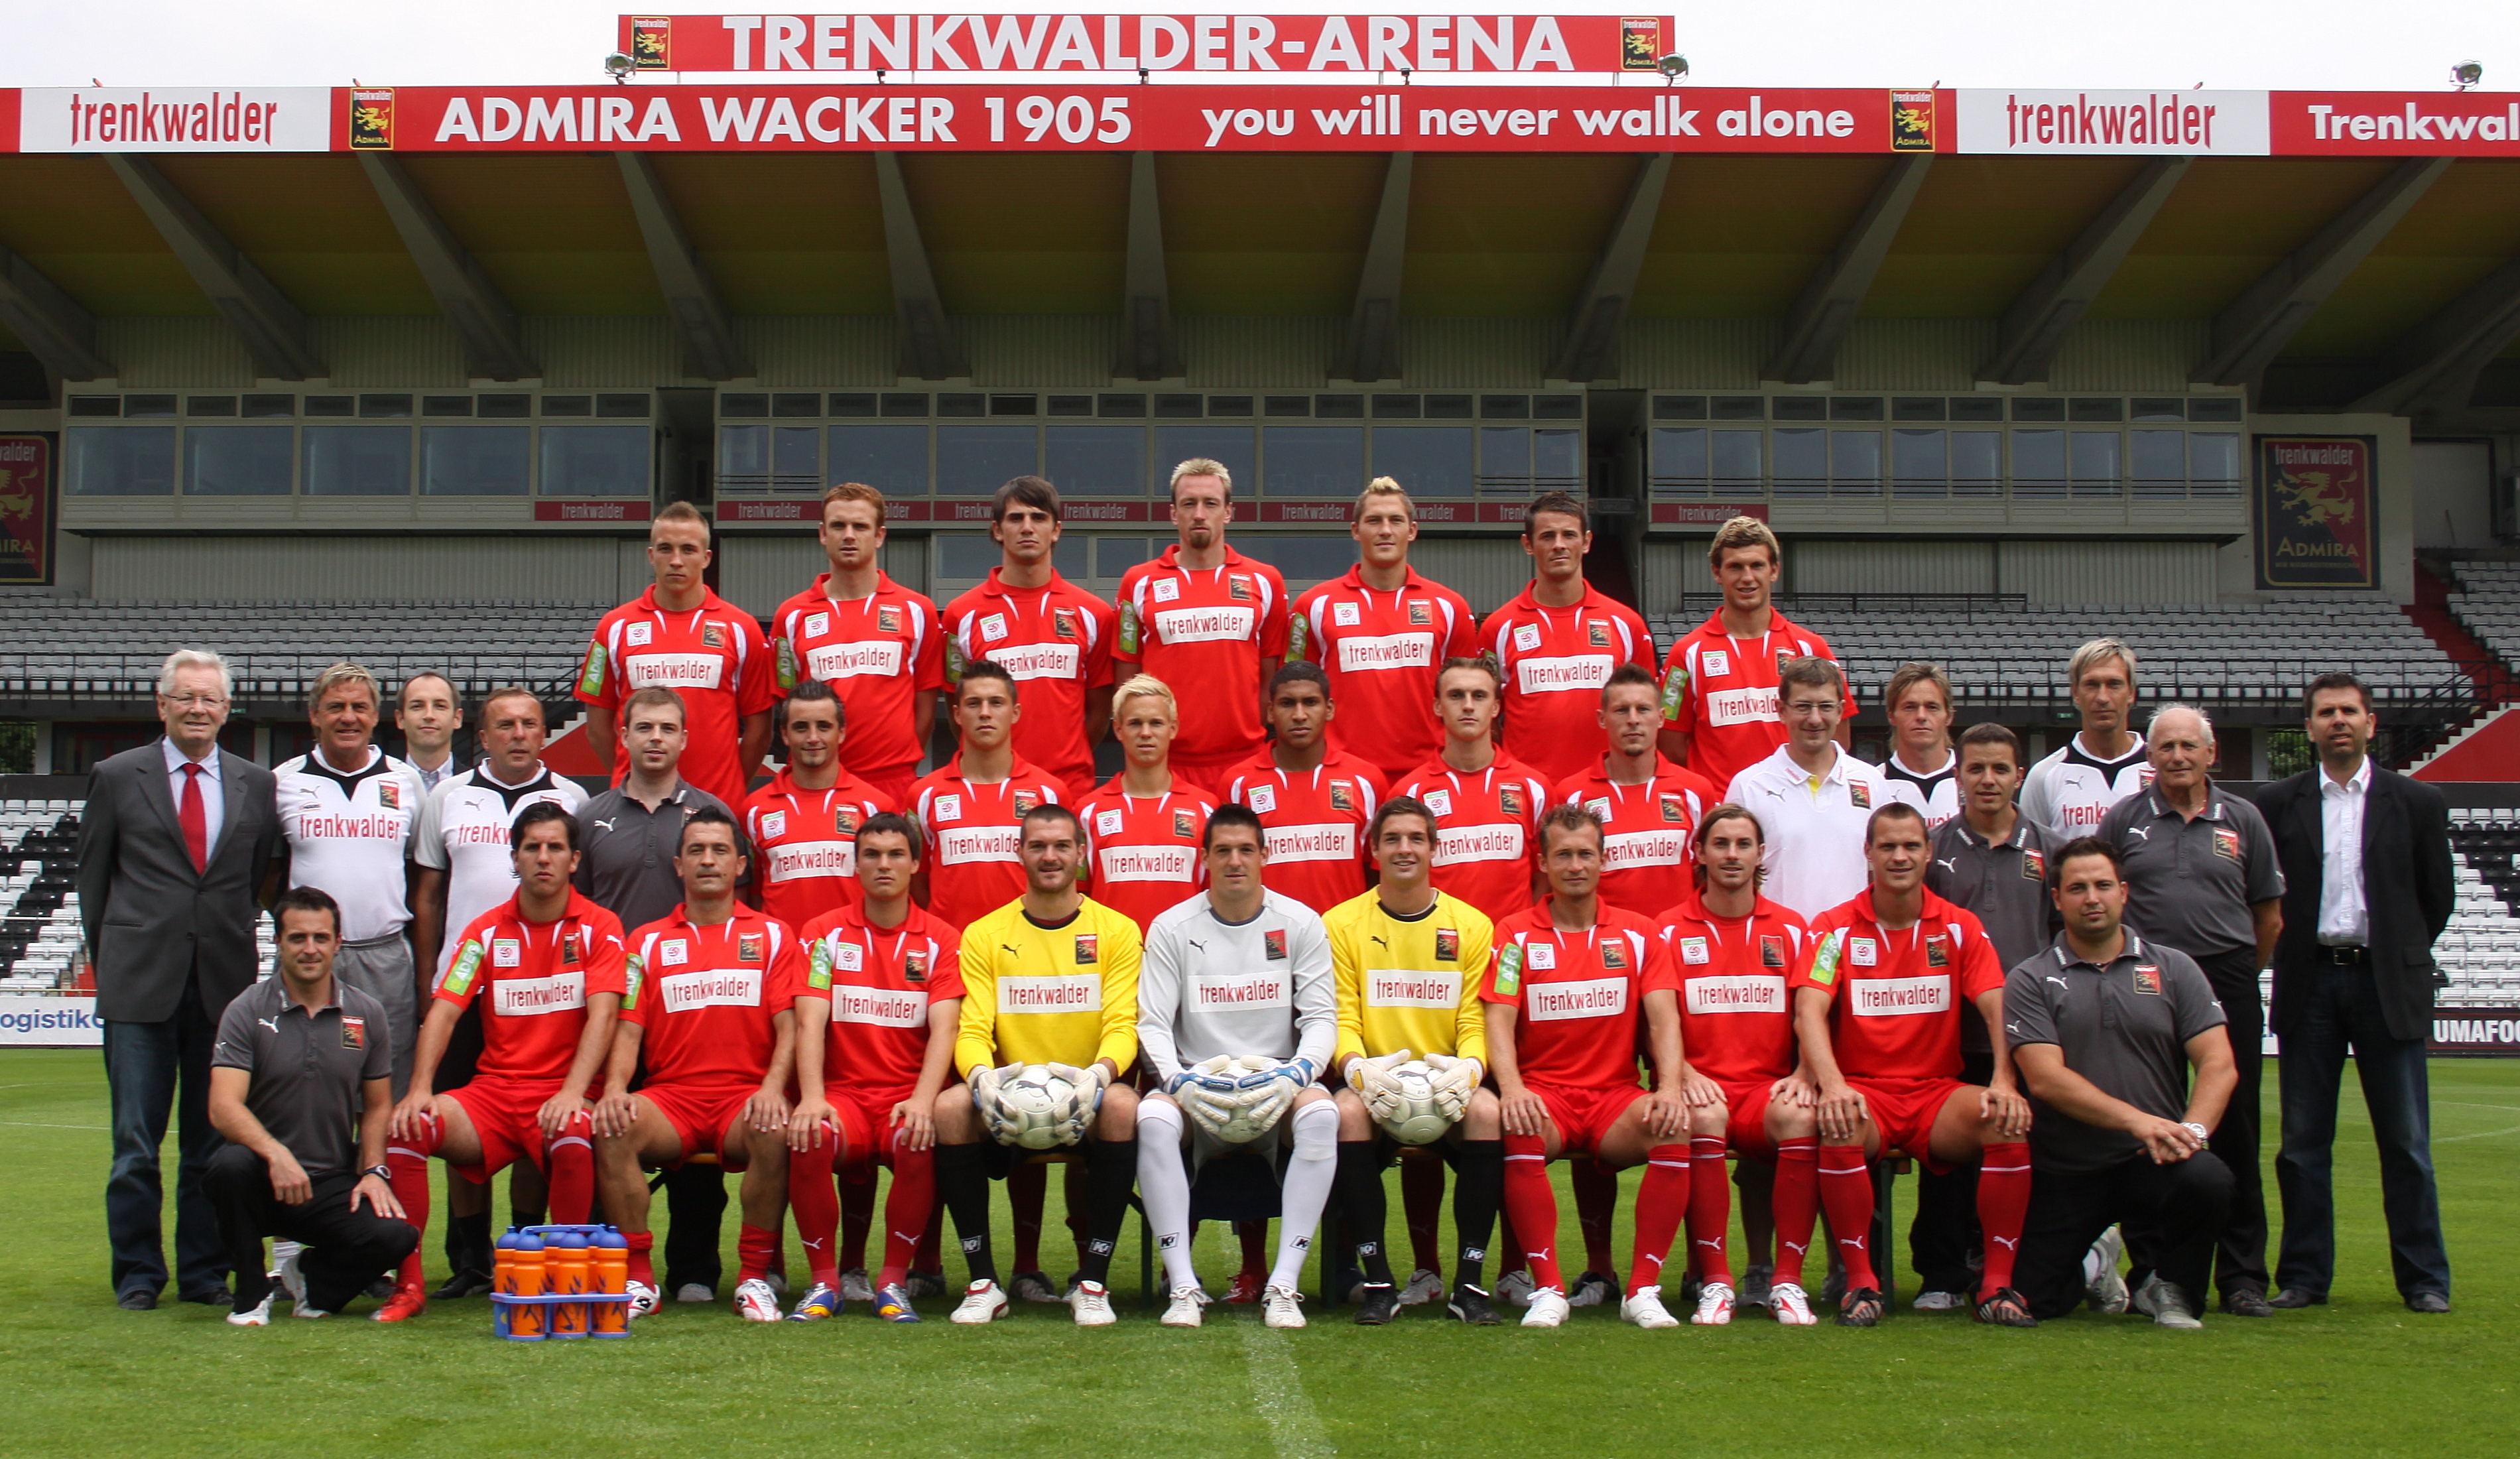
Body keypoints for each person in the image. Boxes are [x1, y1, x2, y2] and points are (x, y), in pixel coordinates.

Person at [79, 648, 283, 1310]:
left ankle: (203, 1271)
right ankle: (139, 1274)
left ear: (227, 709)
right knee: (135, 1146)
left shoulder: (256, 784)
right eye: (186, 697)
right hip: (139, 987)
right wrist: (115, 963)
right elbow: (94, 883)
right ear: (162, 704)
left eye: (210, 698)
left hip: (222, 989)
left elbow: (252, 880)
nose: (198, 708)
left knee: (210, 1143)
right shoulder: (117, 776)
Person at [1788, 803, 2035, 1328]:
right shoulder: (1833, 928)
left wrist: (2004, 1079)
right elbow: (1809, 1009)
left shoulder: (1959, 926)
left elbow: (1997, 1003)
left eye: (1910, 846)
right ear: (1868, 854)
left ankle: (1997, 1286)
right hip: (1866, 1094)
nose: (1899, 857)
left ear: (1928, 854)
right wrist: (1833, 1086)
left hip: (1936, 1095)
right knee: (1838, 1122)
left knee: (2005, 1121)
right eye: (1887, 847)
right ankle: (1861, 1285)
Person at [2256, 672, 2455, 1312]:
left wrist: (2394, 953)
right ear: (2309, 728)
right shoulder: (2277, 803)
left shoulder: (2417, 801)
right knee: (2303, 1144)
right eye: (2325, 712)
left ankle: (2424, 1280)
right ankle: (2304, 1277)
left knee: (2406, 1143)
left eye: (2348, 710)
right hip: (2310, 981)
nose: (2337, 720)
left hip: (2385, 983)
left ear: (2370, 723)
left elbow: (2436, 898)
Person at [385, 803, 628, 1319]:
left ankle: (566, 1289)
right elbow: (444, 1011)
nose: (543, 858)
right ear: (514, 859)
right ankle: (408, 1287)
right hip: (494, 1096)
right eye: (532, 848)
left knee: (573, 1130)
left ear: (574, 860)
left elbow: (604, 1015)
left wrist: (572, 1091)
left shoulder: (601, 927)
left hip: (562, 1092)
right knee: (409, 1128)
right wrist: (420, 1088)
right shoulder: (485, 932)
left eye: (555, 848)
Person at [2096, 704, 2283, 1316]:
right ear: (2149, 757)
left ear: (2211, 753)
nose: (2177, 756)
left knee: (2235, 1126)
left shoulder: (2244, 819)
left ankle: (2243, 1276)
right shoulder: (2124, 819)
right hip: (2145, 981)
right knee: (2150, 1124)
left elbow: (2268, 917)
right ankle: (2153, 1269)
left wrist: (2234, 975)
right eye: (2166, 747)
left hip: (2226, 977)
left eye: (2188, 746)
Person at [2005, 840, 2237, 1328]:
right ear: (2057, 898)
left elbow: (2219, 1062)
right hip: (2068, 1169)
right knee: (2031, 1301)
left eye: (2103, 886)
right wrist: (2139, 1122)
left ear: (2124, 892)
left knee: (2208, 1178)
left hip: (2151, 1162)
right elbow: (2045, 1080)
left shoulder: (2175, 968)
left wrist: (2192, 1133)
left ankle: (2173, 1288)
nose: (2092, 898)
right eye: (2078, 888)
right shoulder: (2030, 978)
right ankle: (2096, 1264)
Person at [932, 804, 1144, 1326]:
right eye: (1038, 846)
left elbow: (1123, 1025)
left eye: (1062, 846)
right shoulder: (984, 934)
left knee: (1123, 1106)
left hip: (1087, 1092)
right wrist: (981, 1079)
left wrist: (1098, 1077)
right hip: (1009, 1093)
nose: (1050, 857)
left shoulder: (1118, 931)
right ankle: (983, 1283)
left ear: (1081, 853)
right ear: (1019, 853)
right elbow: (973, 1029)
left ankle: (1092, 1283)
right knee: (950, 1108)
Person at [1484, 807, 1691, 1330]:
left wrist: (1669, 1088)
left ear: (1604, 860)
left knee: (1673, 1126)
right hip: (1546, 1096)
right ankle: (1549, 1290)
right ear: (1543, 863)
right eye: (1563, 855)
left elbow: (1664, 1020)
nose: (1575, 866)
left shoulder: (1640, 933)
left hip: (1614, 1098)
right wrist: (1512, 1089)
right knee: (1519, 1126)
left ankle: (1642, 1290)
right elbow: (1499, 1021)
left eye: (1585, 854)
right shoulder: (1513, 934)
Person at [407, 685, 584, 1297]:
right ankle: (470, 1257)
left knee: (536, 1122)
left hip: (543, 992)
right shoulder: (448, 797)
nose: (518, 734)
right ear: (482, 737)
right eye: (504, 725)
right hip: (466, 989)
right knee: (464, 1126)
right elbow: (429, 896)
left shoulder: (572, 798)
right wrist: (429, 981)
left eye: (529, 724)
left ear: (543, 733)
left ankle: (524, 1246)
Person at [1136, 805, 1340, 1330]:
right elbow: (1153, 1024)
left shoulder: (1300, 923)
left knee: (1322, 1114)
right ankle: (1183, 1286)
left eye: (1246, 850)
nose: (1234, 861)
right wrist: (1178, 1082)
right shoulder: (1171, 927)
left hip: (1276, 1089)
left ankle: (1284, 1285)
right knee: (1152, 1119)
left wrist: (1296, 1076)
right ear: (1204, 858)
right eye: (1223, 851)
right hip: (1197, 1088)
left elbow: (1321, 1020)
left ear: (1265, 856)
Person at [596, 807, 802, 1322]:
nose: (708, 860)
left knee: (775, 1128)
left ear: (740, 865)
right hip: (673, 1100)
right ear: (679, 865)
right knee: (613, 1126)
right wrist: (615, 1088)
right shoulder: (645, 942)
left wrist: (773, 1088)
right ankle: (639, 1281)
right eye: (696, 851)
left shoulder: (774, 936)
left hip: (743, 1099)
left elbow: (790, 1027)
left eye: (719, 850)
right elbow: (628, 1030)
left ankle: (754, 1279)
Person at [573, 685, 741, 1302]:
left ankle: (694, 1269)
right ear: (623, 735)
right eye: (644, 727)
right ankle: (613, 1264)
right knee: (610, 1127)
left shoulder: (710, 813)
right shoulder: (591, 817)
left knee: (698, 1152)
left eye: (667, 728)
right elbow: (579, 913)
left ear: (684, 739)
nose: (655, 738)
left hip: (689, 1007)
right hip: (610, 1007)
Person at [1325, 796, 1505, 1327]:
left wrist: (1469, 1071)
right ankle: (1379, 1284)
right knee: (1346, 1113)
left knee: (1488, 1112)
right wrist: (1357, 1070)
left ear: (1434, 849)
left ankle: (1469, 1285)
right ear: (1374, 851)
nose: (1405, 849)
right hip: (1377, 1083)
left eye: (1416, 839)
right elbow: (1342, 1016)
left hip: (1446, 1083)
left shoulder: (1471, 925)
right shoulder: (1340, 924)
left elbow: (1474, 1021)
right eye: (1393, 839)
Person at [785, 812, 966, 1323]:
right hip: (844, 1096)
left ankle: (892, 1283)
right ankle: (824, 1283)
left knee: (916, 1135)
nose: (884, 865)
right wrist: (813, 1097)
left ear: (915, 863)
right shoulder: (822, 935)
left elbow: (946, 1029)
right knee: (812, 1133)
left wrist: (924, 1100)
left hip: (902, 1096)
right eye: (872, 855)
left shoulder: (941, 938)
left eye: (895, 855)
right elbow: (810, 1021)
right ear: (856, 864)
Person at [206, 887, 416, 1325]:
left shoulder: (367, 1013)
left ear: (338, 943)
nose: (310, 949)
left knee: (397, 1236)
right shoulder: (246, 1009)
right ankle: (251, 1292)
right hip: (263, 1178)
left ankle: (309, 1279)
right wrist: (275, 1154)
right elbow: (223, 1107)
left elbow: (377, 1107)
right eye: (297, 938)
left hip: (329, 1181)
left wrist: (374, 1171)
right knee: (228, 1166)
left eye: (321, 938)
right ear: (278, 942)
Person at [1914, 722, 2062, 1312]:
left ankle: (2012, 1267)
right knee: (1947, 1162)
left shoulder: (2050, 848)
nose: (1988, 780)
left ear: (2019, 776)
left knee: (2022, 1153)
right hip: (1950, 1034)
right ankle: (1941, 1274)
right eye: (1976, 768)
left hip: (2028, 1035)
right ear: (1958, 776)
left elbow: (2061, 939)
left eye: (2000, 768)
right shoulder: (1934, 850)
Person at [1655, 804, 1821, 1326]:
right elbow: (1655, 1021)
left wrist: (1804, 1074)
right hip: (1702, 1089)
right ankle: (1717, 1282)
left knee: (1800, 1117)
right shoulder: (1667, 929)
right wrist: (1682, 1073)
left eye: (1743, 844)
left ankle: (1786, 1282)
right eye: (1720, 844)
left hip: (1767, 1091)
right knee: (1703, 1117)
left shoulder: (1792, 928)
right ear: (1699, 853)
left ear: (1760, 855)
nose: (1732, 855)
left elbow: (1811, 1014)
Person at [271, 663, 428, 1098]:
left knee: (385, 1087)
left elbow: (420, 874)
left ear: (375, 716)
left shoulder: (406, 781)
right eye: (335, 707)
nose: (348, 717)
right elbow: (268, 873)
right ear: (315, 715)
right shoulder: (284, 781)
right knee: (302, 1083)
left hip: (385, 956)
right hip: (309, 956)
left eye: (359, 707)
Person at [577, 501, 777, 811]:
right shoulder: (613, 627)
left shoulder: (742, 628)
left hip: (714, 810)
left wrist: (729, 787)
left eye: (688, 550)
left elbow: (760, 731)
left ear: (706, 557)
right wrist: (632, 777)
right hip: (636, 808)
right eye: (665, 549)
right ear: (650, 555)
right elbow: (598, 729)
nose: (676, 561)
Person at [1114, 457, 1289, 793]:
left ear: (1228, 512)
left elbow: (1270, 679)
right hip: (1164, 764)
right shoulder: (1137, 582)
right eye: (1188, 504)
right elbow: (1127, 683)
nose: (1199, 514)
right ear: (1173, 513)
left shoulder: (1265, 581)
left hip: (1245, 762)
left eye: (1210, 503)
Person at [942, 475, 1120, 802]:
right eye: (1016, 518)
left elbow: (1099, 712)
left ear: (1056, 530)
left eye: (1038, 518)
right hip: (991, 790)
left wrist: (1066, 759)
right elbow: (958, 711)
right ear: (997, 530)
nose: (1027, 528)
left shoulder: (1094, 613)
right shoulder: (960, 615)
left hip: (1069, 790)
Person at [1289, 477, 1476, 785]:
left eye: (1395, 521)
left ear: (1412, 531)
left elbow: (1468, 696)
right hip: (1341, 776)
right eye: (1374, 521)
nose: (1385, 530)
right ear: (1355, 530)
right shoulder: (1313, 606)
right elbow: (1294, 694)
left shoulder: (1450, 607)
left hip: (1429, 775)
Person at [773, 481, 948, 803]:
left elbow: (925, 706)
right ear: (823, 534)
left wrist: (898, 762)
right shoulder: (791, 616)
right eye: (838, 526)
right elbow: (787, 704)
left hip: (893, 783)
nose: (849, 535)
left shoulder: (916, 610)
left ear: (879, 535)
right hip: (816, 783)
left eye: (861, 526)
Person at [1658, 515, 1852, 794]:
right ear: (1717, 573)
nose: (1747, 577)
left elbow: (1838, 738)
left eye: (1757, 566)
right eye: (1735, 567)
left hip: (1795, 805)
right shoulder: (1685, 656)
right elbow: (1671, 748)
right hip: (1723, 812)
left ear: (1774, 571)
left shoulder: (1811, 649)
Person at [1479, 491, 1656, 788]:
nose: (1559, 545)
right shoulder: (1498, 628)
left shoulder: (1627, 624)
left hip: (1608, 791)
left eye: (1569, 535)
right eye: (1547, 536)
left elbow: (1648, 711)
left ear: (1586, 542)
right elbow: (1487, 719)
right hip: (1530, 792)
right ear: (1528, 545)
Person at [1722, 657, 1887, 920]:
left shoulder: (1871, 781)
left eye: (1825, 707)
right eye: (1803, 706)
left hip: (1852, 940)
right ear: (1781, 710)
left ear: (1840, 711)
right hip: (1779, 941)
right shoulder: (1749, 786)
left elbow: (1879, 874)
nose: (1815, 718)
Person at [911, 661, 1069, 930]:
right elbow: (917, 880)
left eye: (996, 703)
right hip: (954, 946)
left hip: (1027, 946)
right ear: (957, 714)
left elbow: (1066, 881)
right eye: (974, 704)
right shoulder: (923, 794)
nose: (985, 713)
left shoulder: (1051, 792)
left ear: (1015, 713)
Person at [1222, 663, 1387, 917]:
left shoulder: (1366, 780)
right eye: (1287, 704)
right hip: (1267, 933)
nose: (1299, 715)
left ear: (1329, 709)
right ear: (1271, 712)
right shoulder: (1238, 783)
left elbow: (1377, 871)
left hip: (1343, 934)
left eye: (1310, 703)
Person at [1396, 658, 1551, 925]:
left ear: (1496, 707)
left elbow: (1547, 874)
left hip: (1510, 944)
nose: (1468, 705)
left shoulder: (1534, 787)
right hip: (1439, 942)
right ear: (1438, 706)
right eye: (1456, 696)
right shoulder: (1410, 793)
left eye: (1479, 696)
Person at [1556, 663, 1716, 919]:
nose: (1633, 719)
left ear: (1661, 718)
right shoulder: (1571, 795)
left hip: (1676, 937)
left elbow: (1707, 877)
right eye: (1621, 710)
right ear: (1602, 719)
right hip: (1606, 940)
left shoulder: (1696, 791)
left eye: (1643, 709)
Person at [741, 680, 896, 930]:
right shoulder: (753, 810)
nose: (813, 738)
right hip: (784, 951)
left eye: (823, 726)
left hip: (853, 950)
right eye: (801, 727)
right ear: (785, 734)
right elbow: (753, 894)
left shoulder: (876, 806)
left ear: (841, 732)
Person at [1078, 675, 1217, 933]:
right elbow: (1079, 898)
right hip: (1115, 954)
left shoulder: (1206, 809)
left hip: (1184, 952)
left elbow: (1215, 896)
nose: (1145, 733)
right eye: (1135, 723)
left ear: (1173, 729)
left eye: (1156, 723)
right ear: (1118, 730)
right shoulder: (1087, 812)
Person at [2021, 638, 2147, 836]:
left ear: (2131, 693)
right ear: (2076, 694)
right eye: (2092, 685)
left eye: (2114, 684)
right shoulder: (2044, 775)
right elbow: (2031, 849)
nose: (2103, 698)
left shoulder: (2159, 770)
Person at [1877, 663, 1959, 830]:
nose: (1921, 716)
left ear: (1949, 716)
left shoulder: (1972, 781)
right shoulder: (1875, 783)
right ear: (1892, 716)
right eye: (1910, 707)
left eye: (1932, 707)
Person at [394, 672, 463, 793]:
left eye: (440, 706)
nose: (429, 715)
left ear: (457, 718)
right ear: (400, 719)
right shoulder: (376, 786)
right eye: (417, 706)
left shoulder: (478, 787)